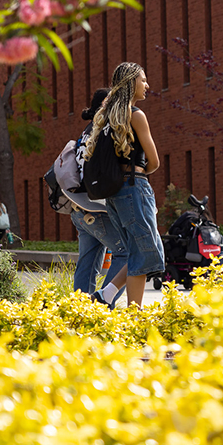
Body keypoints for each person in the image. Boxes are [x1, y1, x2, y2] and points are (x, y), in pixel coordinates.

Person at [82, 62, 163, 307]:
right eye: (143, 80)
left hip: (114, 194)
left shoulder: (104, 117)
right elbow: (155, 161)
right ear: (131, 83)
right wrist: (139, 176)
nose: (147, 85)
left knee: (137, 249)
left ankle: (106, 295)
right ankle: (134, 315)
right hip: (134, 187)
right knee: (145, 252)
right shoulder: (136, 115)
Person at [67, 88, 132, 304]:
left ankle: (81, 312)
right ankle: (103, 304)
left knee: (87, 264)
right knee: (128, 254)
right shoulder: (104, 131)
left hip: (80, 208)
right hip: (99, 208)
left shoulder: (86, 131)